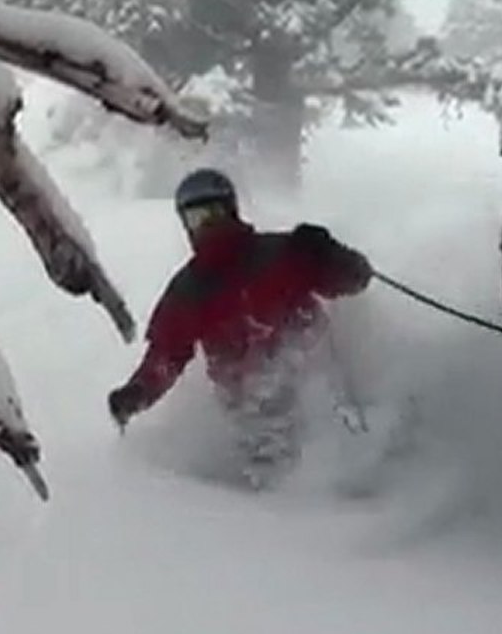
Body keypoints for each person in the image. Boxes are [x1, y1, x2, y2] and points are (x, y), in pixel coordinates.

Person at [108, 168, 373, 489]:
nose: (207, 227)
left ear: (231, 210)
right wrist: (138, 392)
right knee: (279, 481)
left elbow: (356, 279)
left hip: (322, 384)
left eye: (214, 214)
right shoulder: (190, 288)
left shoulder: (282, 252)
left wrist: (331, 253)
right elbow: (166, 354)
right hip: (255, 410)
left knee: (353, 455)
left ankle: (370, 497)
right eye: (196, 218)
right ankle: (276, 521)